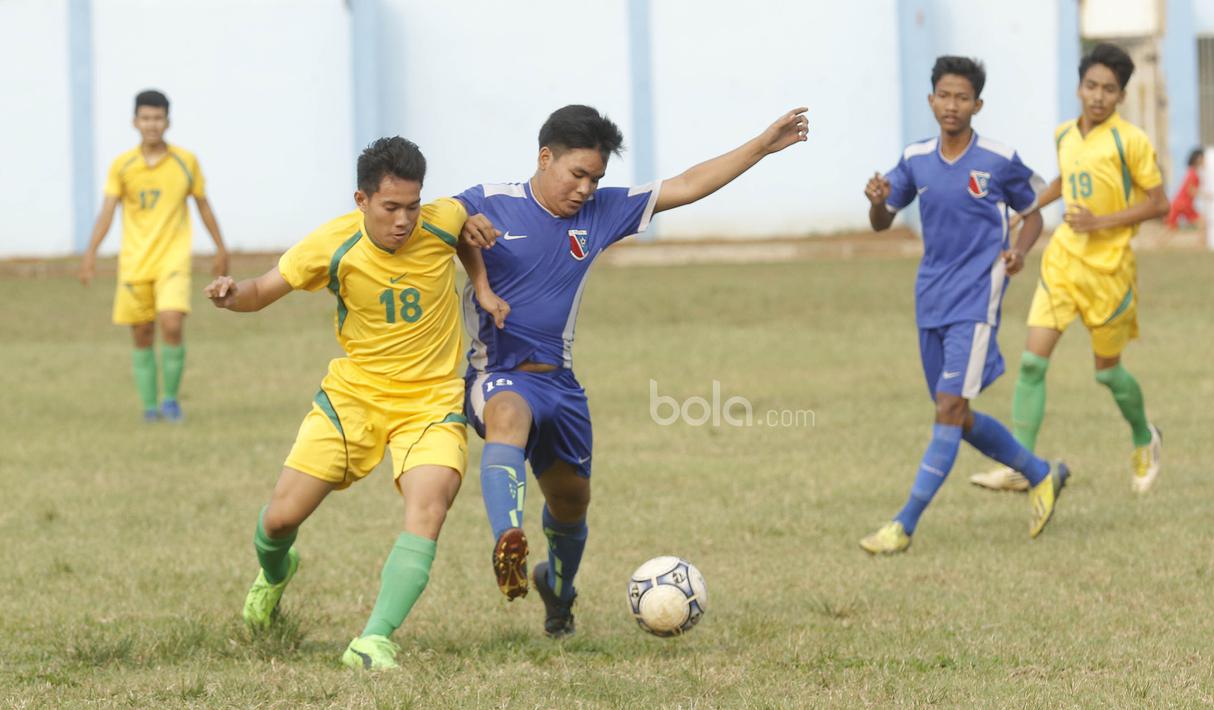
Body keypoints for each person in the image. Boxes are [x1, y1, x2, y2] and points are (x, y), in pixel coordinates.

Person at [455, 104, 808, 636]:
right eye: (577, 174)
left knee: (571, 505)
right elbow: (431, 218)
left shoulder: (599, 213)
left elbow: (687, 184)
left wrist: (761, 145)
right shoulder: (487, 202)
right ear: (544, 157)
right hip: (498, 373)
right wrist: (464, 233)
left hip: (561, 384)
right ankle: (508, 539)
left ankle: (559, 588)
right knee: (507, 415)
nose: (586, 189)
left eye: (596, 178)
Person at [204, 137, 506, 672]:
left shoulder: (442, 219)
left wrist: (480, 284)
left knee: (430, 505)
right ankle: (275, 574)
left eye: (413, 206)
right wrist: (233, 295)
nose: (405, 221)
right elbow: (262, 290)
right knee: (279, 521)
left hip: (430, 403)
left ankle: (372, 641)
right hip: (355, 399)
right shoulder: (331, 245)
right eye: (391, 207)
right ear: (361, 200)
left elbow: (464, 230)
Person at [858, 56, 1069, 555]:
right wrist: (876, 200)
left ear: (978, 104)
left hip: (979, 296)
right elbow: (881, 221)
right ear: (931, 100)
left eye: (962, 97)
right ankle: (1040, 473)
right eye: (943, 96)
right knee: (955, 412)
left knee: (949, 408)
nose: (952, 105)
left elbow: (1034, 213)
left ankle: (902, 525)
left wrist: (1019, 251)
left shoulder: (999, 158)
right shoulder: (915, 159)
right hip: (930, 296)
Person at [970, 43, 1168, 495]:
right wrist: (1024, 210)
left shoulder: (1130, 140)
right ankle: (1021, 463)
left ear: (1120, 96)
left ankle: (1144, 437)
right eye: (1091, 86)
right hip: (1063, 263)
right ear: (1079, 87)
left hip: (1109, 272)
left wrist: (1101, 222)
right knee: (1031, 364)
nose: (1098, 96)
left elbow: (1160, 204)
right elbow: (1065, 180)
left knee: (1107, 373)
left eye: (1109, 90)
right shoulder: (1065, 134)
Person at [79, 89, 228, 422]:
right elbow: (106, 212)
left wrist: (220, 246)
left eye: (157, 118)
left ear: (167, 121)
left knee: (172, 323)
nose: (151, 124)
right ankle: (149, 407)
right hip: (134, 262)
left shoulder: (185, 161)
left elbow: (203, 205)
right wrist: (90, 253)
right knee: (142, 332)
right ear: (135, 122)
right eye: (145, 118)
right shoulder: (123, 166)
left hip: (172, 260)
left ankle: (171, 401)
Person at [1165, 148, 1203, 230]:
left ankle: (1156, 242)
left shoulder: (1191, 171)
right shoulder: (1193, 173)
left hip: (1178, 202)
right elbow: (1190, 190)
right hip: (1184, 204)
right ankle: (1201, 242)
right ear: (1198, 158)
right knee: (1203, 223)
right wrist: (1204, 195)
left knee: (1171, 228)